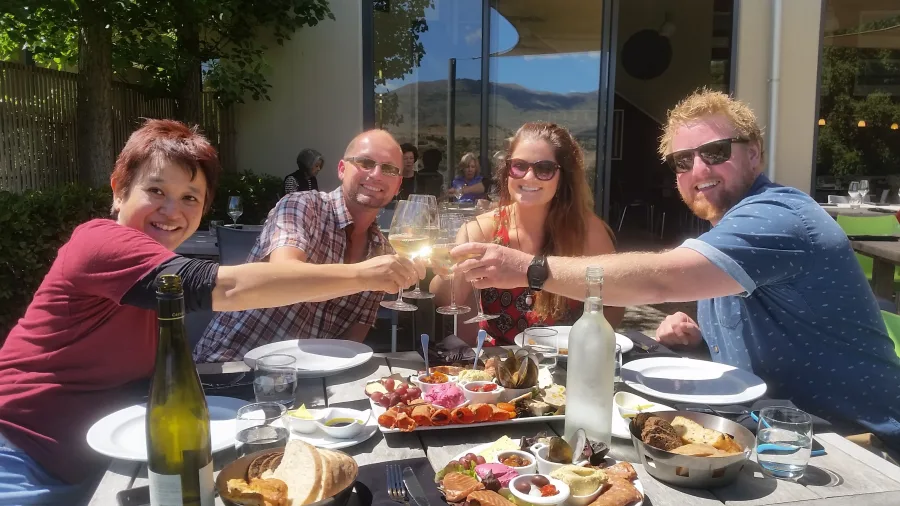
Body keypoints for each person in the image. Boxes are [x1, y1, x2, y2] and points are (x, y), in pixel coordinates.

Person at [451, 89, 900, 452]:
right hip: (777, 429)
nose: (698, 169)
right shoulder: (727, 231)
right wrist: (703, 336)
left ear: (754, 155)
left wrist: (529, 269)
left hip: (855, 442)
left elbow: (661, 278)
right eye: (684, 161)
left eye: (715, 151)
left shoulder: (778, 216)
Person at [0, 121, 422, 504]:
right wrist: (362, 275)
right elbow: (229, 286)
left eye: (190, 197)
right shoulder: (99, 242)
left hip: (107, 464)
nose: (172, 210)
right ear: (118, 189)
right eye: (156, 191)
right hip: (21, 456)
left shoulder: (156, 268)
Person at [194, 129, 411, 362]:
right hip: (228, 367)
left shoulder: (381, 252)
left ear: (398, 184)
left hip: (306, 382)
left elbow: (352, 340)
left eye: (388, 169)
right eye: (365, 162)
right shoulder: (302, 206)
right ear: (341, 169)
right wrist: (365, 275)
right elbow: (284, 276)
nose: (376, 174)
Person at [432, 122, 623, 345]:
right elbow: (447, 300)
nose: (529, 177)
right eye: (519, 166)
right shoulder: (481, 230)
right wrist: (448, 273)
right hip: (497, 366)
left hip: (563, 363)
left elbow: (614, 303)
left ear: (563, 177)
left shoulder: (588, 233)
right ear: (507, 171)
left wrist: (588, 349)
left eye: (544, 169)